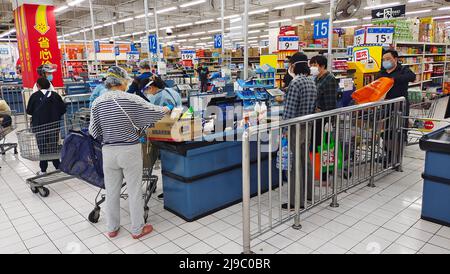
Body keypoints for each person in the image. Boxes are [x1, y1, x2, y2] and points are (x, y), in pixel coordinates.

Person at [89, 66, 170, 239]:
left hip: (108, 151)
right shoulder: (131, 99)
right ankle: (137, 229)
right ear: (122, 81)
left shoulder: (97, 103)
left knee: (111, 191)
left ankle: (112, 228)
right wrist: (166, 109)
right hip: (129, 150)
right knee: (134, 191)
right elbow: (152, 112)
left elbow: (93, 131)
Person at [282, 52, 317, 210]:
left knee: (295, 164)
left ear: (294, 65)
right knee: (305, 161)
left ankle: (296, 201)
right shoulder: (311, 81)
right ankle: (309, 195)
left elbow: (290, 110)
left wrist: (285, 129)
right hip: (307, 125)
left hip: (295, 127)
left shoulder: (295, 83)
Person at [143, 74, 182, 200]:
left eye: (148, 89)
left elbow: (155, 114)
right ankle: (173, 187)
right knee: (174, 161)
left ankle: (170, 189)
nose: (148, 92)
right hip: (178, 128)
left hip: (165, 132)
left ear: (153, 87)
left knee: (167, 161)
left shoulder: (159, 97)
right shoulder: (171, 91)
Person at [377, 49, 416, 166]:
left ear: (395, 59)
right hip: (386, 105)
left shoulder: (403, 70)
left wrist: (393, 80)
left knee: (398, 132)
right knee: (386, 131)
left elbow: (412, 76)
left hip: (400, 106)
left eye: (388, 59)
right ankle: (388, 155)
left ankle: (396, 158)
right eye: (384, 59)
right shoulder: (383, 71)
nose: (386, 61)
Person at [26, 77, 67, 175]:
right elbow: (63, 109)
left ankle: (43, 170)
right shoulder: (55, 95)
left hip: (40, 126)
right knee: (53, 146)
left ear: (38, 86)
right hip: (53, 126)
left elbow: (29, 111)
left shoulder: (34, 96)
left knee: (42, 148)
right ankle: (58, 166)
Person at [309, 55, 339, 184]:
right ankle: (317, 172)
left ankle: (325, 176)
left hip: (324, 119)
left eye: (314, 65)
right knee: (316, 146)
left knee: (325, 147)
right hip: (317, 117)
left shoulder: (330, 79)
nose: (312, 67)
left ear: (321, 65)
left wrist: (329, 119)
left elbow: (331, 102)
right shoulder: (317, 78)